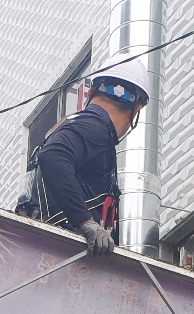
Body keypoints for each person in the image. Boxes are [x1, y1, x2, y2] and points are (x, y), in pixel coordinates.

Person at [17, 53, 151, 256]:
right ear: (137, 109)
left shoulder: (74, 125)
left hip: (41, 246)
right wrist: (85, 222)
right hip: (58, 248)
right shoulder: (95, 127)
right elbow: (53, 156)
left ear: (91, 93)